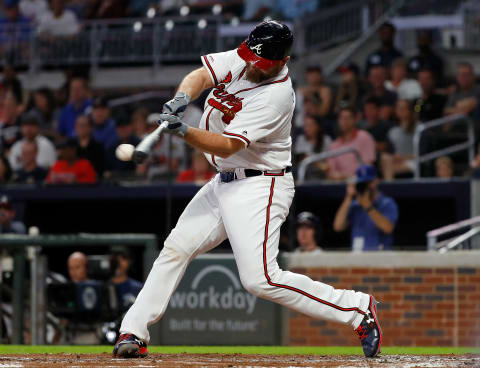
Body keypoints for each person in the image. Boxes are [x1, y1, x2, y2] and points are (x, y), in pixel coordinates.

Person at [113, 21, 382, 359]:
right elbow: (201, 76)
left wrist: (184, 131)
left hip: (261, 184)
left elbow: (227, 145)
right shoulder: (246, 57)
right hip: (223, 182)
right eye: (250, 56)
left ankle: (357, 308)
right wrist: (182, 97)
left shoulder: (277, 95)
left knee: (261, 279)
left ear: (281, 61)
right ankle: (133, 332)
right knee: (176, 248)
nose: (251, 64)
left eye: (261, 61)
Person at [333, 165, 398, 251]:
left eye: (368, 182)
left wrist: (367, 206)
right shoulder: (355, 205)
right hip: (358, 254)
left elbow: (388, 228)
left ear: (376, 181)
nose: (366, 187)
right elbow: (338, 226)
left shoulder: (387, 203)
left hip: (380, 255)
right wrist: (348, 197)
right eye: (362, 183)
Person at [326, 107, 376, 181]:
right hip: (339, 183)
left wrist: (348, 177)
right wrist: (336, 176)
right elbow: (331, 171)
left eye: (347, 118)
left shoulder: (365, 137)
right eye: (341, 118)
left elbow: (367, 166)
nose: (344, 121)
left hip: (360, 183)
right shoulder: (334, 145)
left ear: (355, 119)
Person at [381, 99, 418, 180]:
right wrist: (395, 158)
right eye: (398, 108)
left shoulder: (419, 128)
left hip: (414, 162)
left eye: (403, 108)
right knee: (385, 158)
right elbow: (389, 153)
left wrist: (403, 158)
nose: (401, 111)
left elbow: (422, 153)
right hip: (396, 162)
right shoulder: (392, 131)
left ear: (410, 110)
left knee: (388, 169)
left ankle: (389, 189)